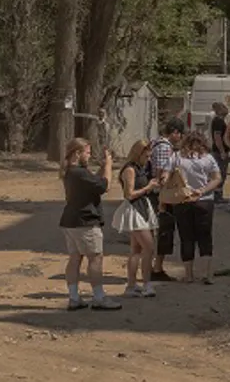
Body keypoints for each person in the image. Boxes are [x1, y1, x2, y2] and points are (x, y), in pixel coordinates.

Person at [59, 137, 123, 311]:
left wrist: (102, 167)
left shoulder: (72, 172)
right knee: (95, 258)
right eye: (87, 153)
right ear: (77, 153)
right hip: (85, 222)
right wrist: (108, 165)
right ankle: (99, 297)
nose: (89, 156)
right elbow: (104, 186)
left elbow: (93, 181)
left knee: (75, 258)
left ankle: (74, 297)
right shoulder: (79, 173)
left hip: (71, 221)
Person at [168, 131, 222, 284]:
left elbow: (166, 176)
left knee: (186, 238)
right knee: (205, 237)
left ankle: (189, 275)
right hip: (204, 200)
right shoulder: (208, 158)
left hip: (182, 200)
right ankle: (206, 274)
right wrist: (203, 190)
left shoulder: (176, 157)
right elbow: (217, 178)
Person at [110, 139, 160, 298]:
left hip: (143, 207)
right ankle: (146, 284)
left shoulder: (141, 169)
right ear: (138, 154)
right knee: (149, 247)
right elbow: (129, 194)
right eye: (146, 156)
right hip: (134, 209)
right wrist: (148, 188)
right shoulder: (130, 170)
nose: (148, 159)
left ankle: (131, 285)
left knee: (136, 249)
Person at [147, 118, 186, 281]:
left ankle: (150, 267)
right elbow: (162, 173)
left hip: (156, 193)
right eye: (180, 134)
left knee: (156, 230)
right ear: (175, 132)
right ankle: (156, 268)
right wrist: (164, 198)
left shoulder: (155, 143)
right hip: (161, 194)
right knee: (164, 230)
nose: (180, 138)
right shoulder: (164, 147)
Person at [209, 102, 230, 204]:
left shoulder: (220, 120)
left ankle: (218, 195)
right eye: (224, 107)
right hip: (219, 152)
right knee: (220, 173)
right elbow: (217, 137)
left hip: (220, 151)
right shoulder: (218, 121)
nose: (227, 109)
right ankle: (217, 196)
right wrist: (222, 151)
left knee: (222, 173)